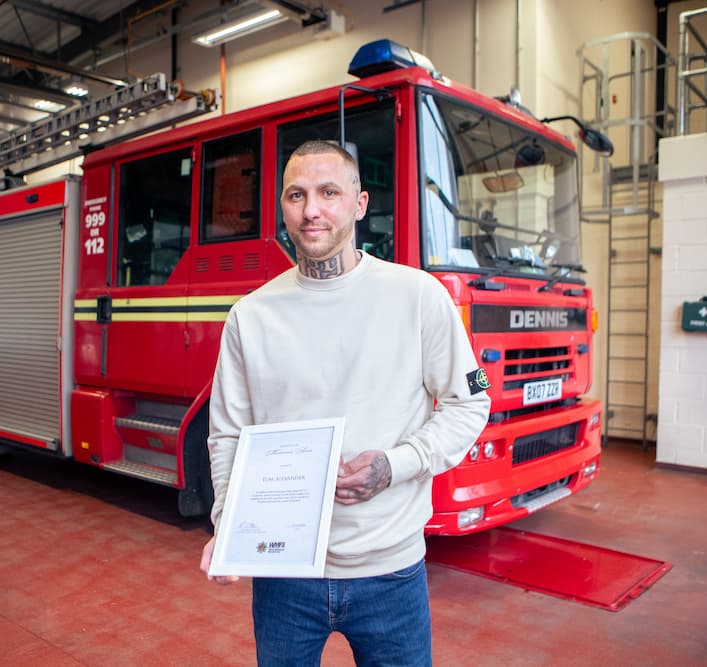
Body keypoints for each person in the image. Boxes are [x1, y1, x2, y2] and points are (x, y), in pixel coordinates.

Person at [199, 140, 492, 665]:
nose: (312, 209)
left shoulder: (417, 296)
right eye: (297, 195)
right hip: (283, 574)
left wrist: (395, 465)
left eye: (329, 192)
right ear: (283, 208)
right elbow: (228, 435)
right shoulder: (251, 315)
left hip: (392, 572)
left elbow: (468, 404)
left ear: (359, 204)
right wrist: (228, 526)